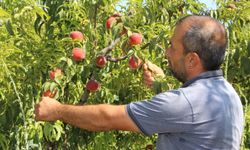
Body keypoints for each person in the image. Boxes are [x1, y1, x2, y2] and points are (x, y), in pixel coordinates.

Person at [35, 15, 244, 149]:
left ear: (192, 60)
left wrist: (57, 110)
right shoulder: (227, 94)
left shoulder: (184, 103)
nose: (166, 52)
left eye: (172, 46)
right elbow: (191, 114)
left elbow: (107, 119)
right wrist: (160, 85)